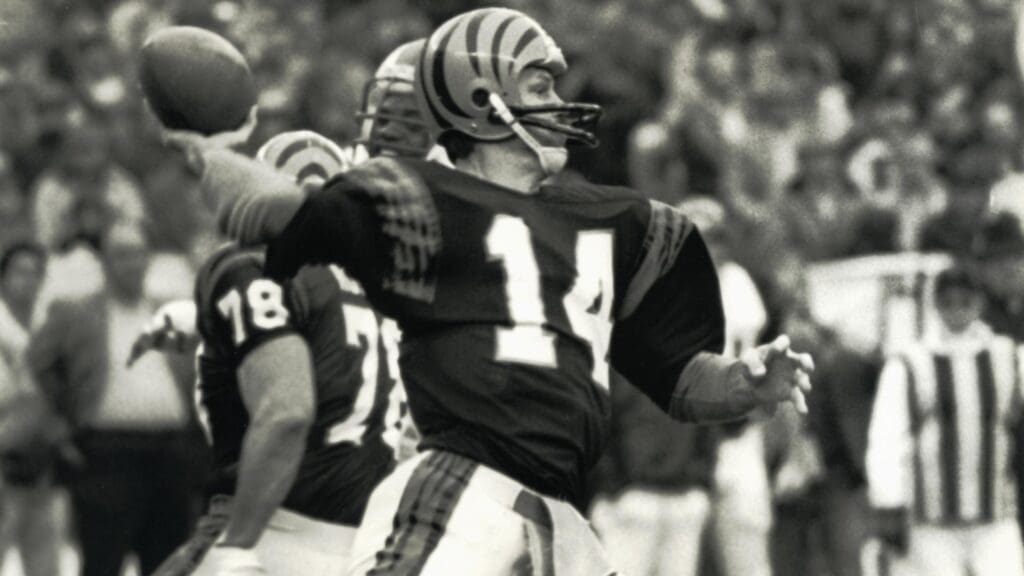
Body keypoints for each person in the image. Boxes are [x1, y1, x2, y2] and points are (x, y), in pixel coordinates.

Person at [163, 8, 813, 575]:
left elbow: (675, 377)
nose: (560, 102)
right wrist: (214, 157)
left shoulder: (601, 222)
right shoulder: (423, 202)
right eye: (540, 86)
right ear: (482, 103)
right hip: (464, 491)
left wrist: (741, 383)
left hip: (557, 517)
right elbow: (282, 209)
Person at [151, 130, 403, 576]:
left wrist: (238, 542)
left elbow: (286, 412)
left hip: (274, 525)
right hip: (366, 542)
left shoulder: (251, 265)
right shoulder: (381, 286)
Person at [25, 225, 200, 576]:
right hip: (107, 453)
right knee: (103, 558)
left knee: (167, 560)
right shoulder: (76, 313)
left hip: (170, 452)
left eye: (138, 253)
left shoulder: (170, 314)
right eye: (121, 254)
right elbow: (38, 365)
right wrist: (61, 421)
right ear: (104, 262)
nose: (131, 263)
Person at [866, 265, 1024, 576]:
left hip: (994, 514)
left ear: (979, 303)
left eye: (965, 301)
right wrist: (889, 501)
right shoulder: (911, 362)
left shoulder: (1008, 356)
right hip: (932, 519)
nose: (957, 311)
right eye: (949, 302)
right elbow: (887, 435)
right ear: (936, 305)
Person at [0, 241, 64, 576]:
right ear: (3, 276)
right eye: (20, 272)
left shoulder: (49, 325)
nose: (28, 280)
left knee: (45, 563)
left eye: (36, 272)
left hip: (41, 460)